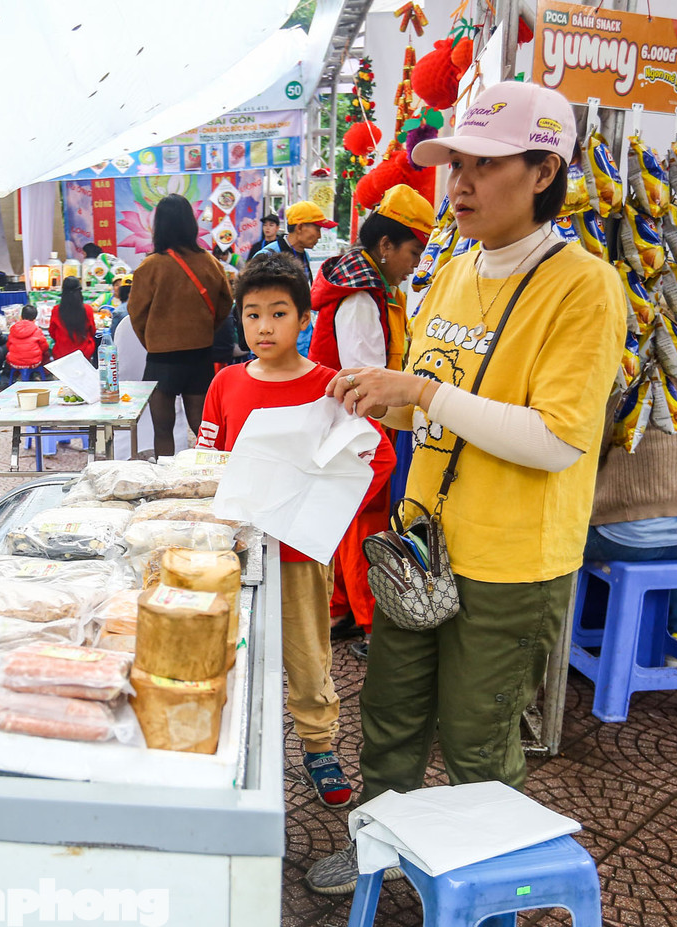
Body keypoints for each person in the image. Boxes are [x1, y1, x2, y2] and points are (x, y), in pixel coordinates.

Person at [306, 81, 625, 894]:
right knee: (391, 718)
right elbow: (438, 402)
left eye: (484, 166)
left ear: (544, 169)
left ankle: (483, 891)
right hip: (421, 545)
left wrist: (419, 394)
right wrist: (376, 406)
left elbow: (557, 438)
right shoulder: (450, 269)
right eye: (455, 166)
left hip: (511, 559)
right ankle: (378, 851)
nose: (460, 186)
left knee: (480, 743)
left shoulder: (583, 286)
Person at [197, 253, 394, 810]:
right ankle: (225, 741)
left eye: (279, 313)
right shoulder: (226, 384)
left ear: (304, 318)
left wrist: (327, 514)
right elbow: (208, 460)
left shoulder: (333, 386)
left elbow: (375, 456)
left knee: (308, 653)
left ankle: (319, 744)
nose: (264, 326)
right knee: (230, 648)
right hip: (235, 551)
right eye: (252, 314)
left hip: (302, 553)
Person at [308, 184, 434, 651]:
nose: (415, 264)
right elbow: (367, 382)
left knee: (349, 518)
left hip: (343, 423)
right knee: (365, 521)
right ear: (385, 246)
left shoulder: (365, 288)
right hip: (356, 425)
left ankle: (341, 608)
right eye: (413, 252)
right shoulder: (361, 299)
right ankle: (369, 623)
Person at [586, 320, 677, 664]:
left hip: (625, 535)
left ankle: (563, 642)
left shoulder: (629, 392)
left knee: (558, 542)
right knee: (668, 545)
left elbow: (588, 451)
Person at [127, 193, 233, 457]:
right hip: (200, 356)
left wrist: (153, 339)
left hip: (161, 360)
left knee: (163, 430)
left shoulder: (149, 266)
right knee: (203, 429)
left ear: (159, 226)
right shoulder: (210, 262)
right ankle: (214, 477)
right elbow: (225, 303)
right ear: (190, 225)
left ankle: (166, 482)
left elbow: (136, 314)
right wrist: (205, 330)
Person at [262, 201, 333, 288]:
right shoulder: (268, 254)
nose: (319, 236)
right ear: (299, 227)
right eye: (317, 230)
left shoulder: (305, 255)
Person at [49, 276, 96, 362]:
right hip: (84, 353)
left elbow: (52, 332)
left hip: (61, 353)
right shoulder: (88, 309)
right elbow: (93, 331)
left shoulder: (56, 310)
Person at [7, 304, 51, 371]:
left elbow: (8, 345)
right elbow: (44, 347)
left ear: (20, 317)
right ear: (34, 319)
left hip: (14, 363)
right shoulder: (37, 330)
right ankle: (46, 373)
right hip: (34, 363)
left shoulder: (13, 329)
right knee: (46, 354)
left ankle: (15, 374)